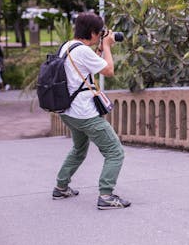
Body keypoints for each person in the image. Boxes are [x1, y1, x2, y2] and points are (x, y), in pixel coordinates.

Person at [52, 12, 131, 210]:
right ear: (93, 32)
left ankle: (61, 187)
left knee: (79, 149)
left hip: (68, 111)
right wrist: (106, 47)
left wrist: (98, 48)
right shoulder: (82, 51)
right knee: (115, 152)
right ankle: (106, 195)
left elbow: (85, 68)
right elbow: (109, 71)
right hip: (84, 113)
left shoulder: (68, 47)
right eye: (100, 32)